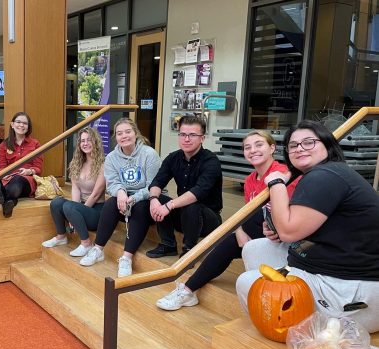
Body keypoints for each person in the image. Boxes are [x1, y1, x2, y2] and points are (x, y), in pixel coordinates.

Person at [236, 120, 379, 333]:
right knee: (254, 248)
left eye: (309, 142)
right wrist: (275, 226)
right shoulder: (323, 173)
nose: (300, 148)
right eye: (293, 145)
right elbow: (287, 227)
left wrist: (276, 184)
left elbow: (288, 230)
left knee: (247, 282)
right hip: (325, 261)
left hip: (353, 289)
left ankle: (292, 327)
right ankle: (280, 315)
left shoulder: (325, 177)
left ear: (327, 146)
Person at [155, 131, 299, 311]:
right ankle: (187, 290)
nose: (253, 150)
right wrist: (239, 230)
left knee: (247, 223)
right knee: (231, 239)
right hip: (264, 235)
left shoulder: (283, 174)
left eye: (259, 145)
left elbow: (292, 214)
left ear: (272, 148)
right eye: (248, 147)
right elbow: (246, 213)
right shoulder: (250, 180)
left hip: (288, 240)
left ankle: (188, 289)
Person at [79, 118, 161, 277]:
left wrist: (135, 198)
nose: (124, 136)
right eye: (119, 133)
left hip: (147, 200)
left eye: (128, 132)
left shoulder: (149, 154)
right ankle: (98, 249)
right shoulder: (111, 158)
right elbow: (112, 184)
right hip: (124, 199)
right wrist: (121, 193)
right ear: (115, 137)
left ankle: (126, 258)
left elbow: (154, 185)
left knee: (140, 206)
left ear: (136, 133)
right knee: (110, 203)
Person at [146, 115, 222, 259]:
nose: (186, 139)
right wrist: (154, 199)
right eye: (183, 134)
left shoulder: (211, 161)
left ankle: (189, 250)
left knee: (191, 204)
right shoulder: (173, 158)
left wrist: (169, 205)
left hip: (208, 221)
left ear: (202, 138)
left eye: (192, 135)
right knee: (159, 199)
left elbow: (198, 192)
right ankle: (168, 245)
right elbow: (157, 182)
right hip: (184, 218)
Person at [42, 127, 106, 256]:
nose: (85, 143)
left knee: (69, 206)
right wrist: (73, 210)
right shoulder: (77, 162)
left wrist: (74, 211)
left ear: (96, 141)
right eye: (82, 141)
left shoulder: (104, 164)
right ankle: (61, 236)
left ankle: (86, 244)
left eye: (89, 140)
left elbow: (96, 194)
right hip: (80, 208)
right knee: (57, 203)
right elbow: (75, 188)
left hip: (96, 212)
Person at [0, 112, 43, 218]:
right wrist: (4, 174)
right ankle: (9, 202)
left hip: (27, 179)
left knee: (17, 181)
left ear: (28, 127)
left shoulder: (35, 144)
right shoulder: (4, 145)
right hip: (9, 178)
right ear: (12, 124)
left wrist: (29, 171)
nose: (21, 125)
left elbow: (38, 168)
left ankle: (2, 194)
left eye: (25, 123)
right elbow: (1, 167)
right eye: (18, 122)